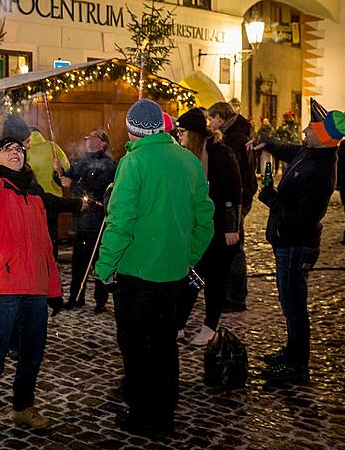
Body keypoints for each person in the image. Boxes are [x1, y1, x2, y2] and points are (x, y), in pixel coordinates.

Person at [94, 99, 214, 437]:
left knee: (135, 346)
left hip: (136, 274)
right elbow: (205, 220)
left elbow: (120, 221)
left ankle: (141, 413)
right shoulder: (188, 161)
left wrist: (104, 268)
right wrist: (187, 256)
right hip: (173, 273)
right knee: (164, 344)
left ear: (132, 129)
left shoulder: (134, 162)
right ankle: (164, 415)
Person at [0, 99, 79, 449]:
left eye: (19, 148)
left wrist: (53, 288)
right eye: (8, 149)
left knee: (32, 353)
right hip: (2, 287)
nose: (15, 152)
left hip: (33, 287)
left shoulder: (33, 194)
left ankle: (22, 407)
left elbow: (45, 247)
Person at [254, 100, 345, 383]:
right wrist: (266, 142)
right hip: (288, 243)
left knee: (294, 305)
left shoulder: (322, 172)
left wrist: (271, 198)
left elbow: (300, 218)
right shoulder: (310, 153)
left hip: (297, 246)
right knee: (290, 303)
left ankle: (297, 366)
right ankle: (291, 353)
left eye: (311, 128)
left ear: (323, 138)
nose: (305, 130)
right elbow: (288, 150)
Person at [174, 108, 242, 346]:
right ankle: (178, 324)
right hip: (200, 230)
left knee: (215, 280)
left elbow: (234, 192)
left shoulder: (221, 154)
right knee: (192, 279)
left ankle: (210, 326)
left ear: (192, 134)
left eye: (182, 133)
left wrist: (232, 227)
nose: (178, 138)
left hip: (222, 231)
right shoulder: (188, 156)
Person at [208, 101, 256, 314]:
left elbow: (234, 178)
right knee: (232, 245)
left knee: (234, 246)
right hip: (240, 197)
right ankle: (230, 292)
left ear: (220, 117)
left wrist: (235, 211)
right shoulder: (240, 132)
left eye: (212, 118)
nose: (210, 123)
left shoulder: (233, 138)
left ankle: (236, 296)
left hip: (236, 199)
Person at [65, 129, 115, 311]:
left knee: (98, 264)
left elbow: (96, 187)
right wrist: (60, 175)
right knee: (78, 263)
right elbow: (70, 176)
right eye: (88, 136)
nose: (88, 138)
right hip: (81, 222)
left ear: (103, 143)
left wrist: (73, 184)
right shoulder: (81, 161)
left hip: (98, 222)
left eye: (94, 136)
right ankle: (75, 297)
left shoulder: (108, 164)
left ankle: (100, 301)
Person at [26, 128, 71, 259]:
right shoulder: (52, 146)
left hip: (35, 197)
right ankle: (53, 257)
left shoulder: (27, 151)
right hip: (54, 196)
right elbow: (66, 166)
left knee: (36, 230)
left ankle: (39, 258)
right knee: (52, 229)